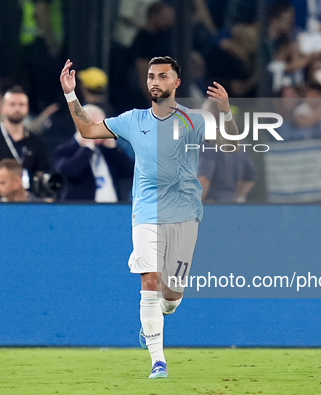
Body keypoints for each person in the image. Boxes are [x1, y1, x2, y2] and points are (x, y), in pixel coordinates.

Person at [59, 56, 237, 379]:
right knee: (149, 280)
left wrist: (225, 112)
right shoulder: (132, 120)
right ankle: (158, 360)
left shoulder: (194, 121)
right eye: (151, 76)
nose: (155, 81)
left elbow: (230, 146)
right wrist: (71, 94)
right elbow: (87, 129)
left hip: (184, 214)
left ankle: (156, 319)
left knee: (170, 298)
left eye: (162, 76)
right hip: (146, 211)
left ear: (176, 83)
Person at [0, 86, 50, 201]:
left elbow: (42, 175)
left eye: (21, 104)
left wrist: (45, 205)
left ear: (27, 109)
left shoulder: (35, 140)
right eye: (12, 104)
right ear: (3, 108)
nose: (17, 108)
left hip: (28, 209)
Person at [53, 104, 134, 202]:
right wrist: (87, 148)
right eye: (94, 125)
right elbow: (69, 172)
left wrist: (112, 148)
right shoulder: (65, 150)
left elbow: (128, 172)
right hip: (82, 210)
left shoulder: (106, 149)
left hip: (113, 209)